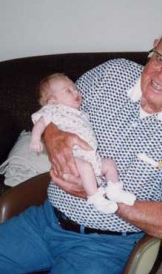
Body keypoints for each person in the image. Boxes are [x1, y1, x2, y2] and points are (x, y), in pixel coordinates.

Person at [0, 25, 162, 274]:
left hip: (107, 245)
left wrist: (105, 200)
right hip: (45, 220)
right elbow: (56, 109)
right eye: (161, 59)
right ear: (153, 48)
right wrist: (53, 134)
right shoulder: (111, 73)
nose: (161, 75)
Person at [30, 73, 136, 214]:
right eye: (68, 90)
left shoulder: (79, 113)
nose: (76, 92)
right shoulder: (53, 110)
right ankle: (96, 198)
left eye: (75, 89)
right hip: (73, 156)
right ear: (52, 101)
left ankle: (115, 190)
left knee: (109, 164)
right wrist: (35, 139)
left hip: (90, 155)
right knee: (86, 168)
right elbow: (40, 123)